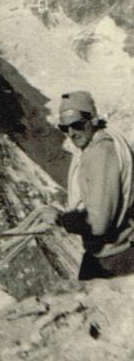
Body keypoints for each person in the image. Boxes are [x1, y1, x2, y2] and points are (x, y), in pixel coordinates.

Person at [53, 90, 134, 280]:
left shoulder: (100, 153)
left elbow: (98, 224)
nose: (71, 133)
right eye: (65, 128)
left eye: (77, 125)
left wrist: (60, 219)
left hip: (115, 258)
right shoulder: (102, 145)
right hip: (113, 253)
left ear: (92, 120)